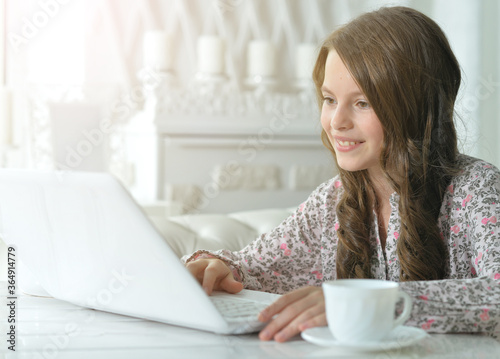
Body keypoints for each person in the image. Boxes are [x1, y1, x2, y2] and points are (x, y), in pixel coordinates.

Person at [184, 6, 500, 342]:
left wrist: (369, 303)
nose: (337, 122)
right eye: (330, 99)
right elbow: (253, 267)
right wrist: (215, 267)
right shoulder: (332, 200)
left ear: (415, 106)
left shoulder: (477, 189)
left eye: (362, 103)